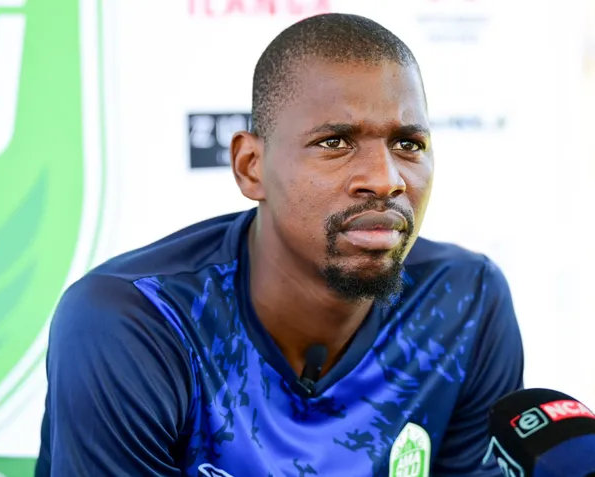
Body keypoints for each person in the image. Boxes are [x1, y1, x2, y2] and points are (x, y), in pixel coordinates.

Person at [35, 13, 524, 477]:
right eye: (335, 142)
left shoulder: (463, 301)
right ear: (251, 167)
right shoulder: (139, 319)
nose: (385, 179)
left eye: (408, 144)